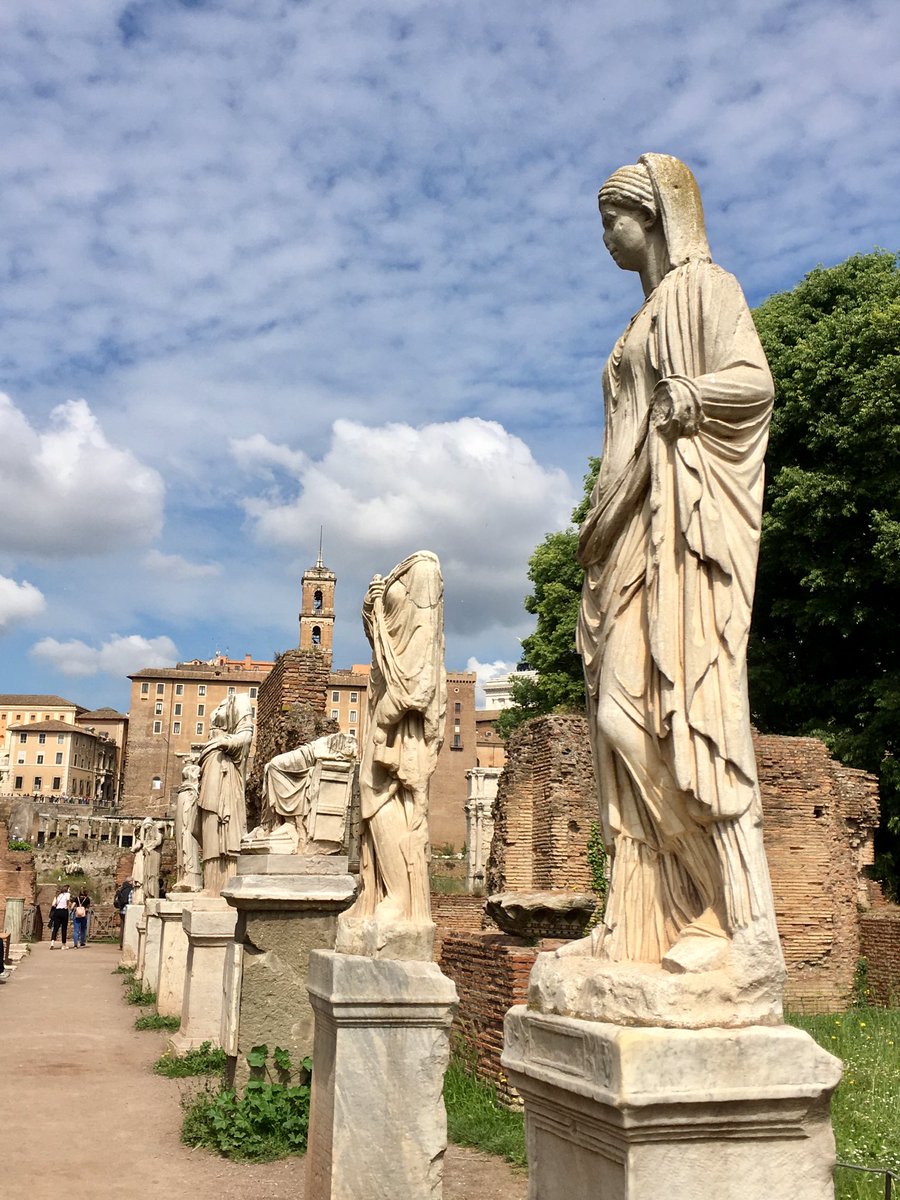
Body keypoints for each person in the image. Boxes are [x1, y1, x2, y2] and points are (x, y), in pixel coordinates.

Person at [577, 153, 783, 978]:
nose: (605, 238)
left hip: (674, 527)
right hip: (620, 533)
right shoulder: (638, 319)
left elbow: (754, 382)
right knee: (619, 724)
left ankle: (733, 918)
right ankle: (641, 918)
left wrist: (691, 399)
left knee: (674, 718)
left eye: (612, 220)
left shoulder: (707, 289)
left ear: (655, 215)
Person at [343, 552, 446, 927]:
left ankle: (399, 899)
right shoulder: (408, 576)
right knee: (374, 799)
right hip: (384, 710)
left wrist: (385, 723)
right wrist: (371, 607)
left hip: (402, 726)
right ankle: (378, 893)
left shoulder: (424, 571)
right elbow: (381, 640)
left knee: (385, 799)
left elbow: (417, 685)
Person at [197, 693, 254, 894]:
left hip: (226, 769)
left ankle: (224, 883)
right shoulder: (225, 703)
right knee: (210, 827)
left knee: (224, 825)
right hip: (211, 764)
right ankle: (211, 885)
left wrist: (226, 742)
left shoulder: (239, 700)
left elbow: (246, 736)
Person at [114, 879, 133, 950]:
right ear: (130, 882)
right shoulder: (131, 890)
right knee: (128, 928)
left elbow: (117, 899)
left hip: (121, 910)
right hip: (127, 911)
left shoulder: (121, 889)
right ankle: (127, 944)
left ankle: (121, 944)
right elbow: (130, 902)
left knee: (122, 927)